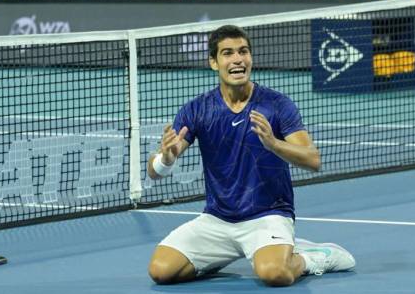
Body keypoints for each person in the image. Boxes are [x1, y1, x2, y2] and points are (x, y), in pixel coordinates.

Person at [147, 25, 356, 286]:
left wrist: (274, 144)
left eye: (243, 51)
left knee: (274, 274)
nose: (237, 59)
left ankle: (310, 257)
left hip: (267, 216)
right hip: (217, 219)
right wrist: (167, 159)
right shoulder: (197, 109)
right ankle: (231, 254)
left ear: (250, 58)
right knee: (161, 271)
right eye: (227, 53)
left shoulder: (277, 105)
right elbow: (153, 172)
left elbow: (313, 160)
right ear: (214, 62)